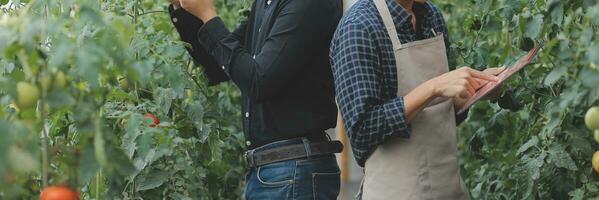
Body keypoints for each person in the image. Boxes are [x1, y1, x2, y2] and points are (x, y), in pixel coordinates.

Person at [167, 0, 344, 199]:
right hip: (273, 171)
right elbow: (219, 66)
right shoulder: (265, 4)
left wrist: (208, 15)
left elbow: (259, 81)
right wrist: (181, 9)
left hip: (293, 169)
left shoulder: (307, 4)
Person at [330, 0, 505, 199]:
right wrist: (433, 87)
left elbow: (437, 115)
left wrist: (475, 89)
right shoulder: (359, 27)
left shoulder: (431, 16)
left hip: (449, 189)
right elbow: (363, 131)